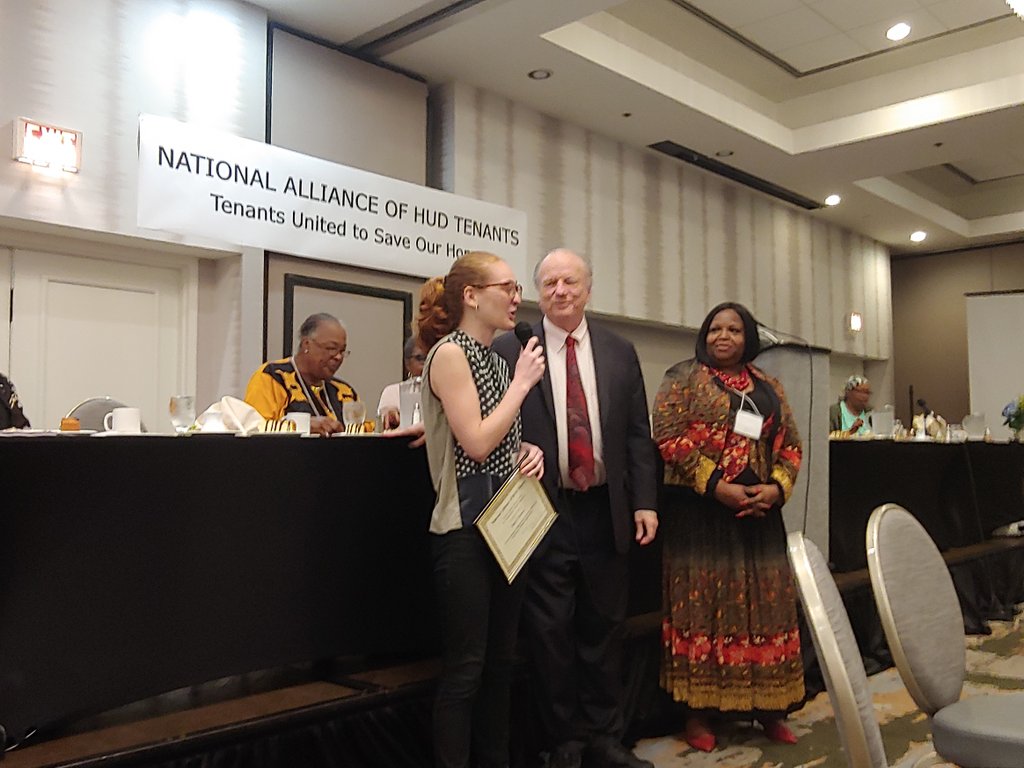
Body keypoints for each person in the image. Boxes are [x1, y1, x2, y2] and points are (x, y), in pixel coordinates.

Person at [493, 248, 658, 768]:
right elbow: (492, 423)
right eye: (549, 283)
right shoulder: (509, 346)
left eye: (570, 281)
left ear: (588, 288)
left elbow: (636, 433)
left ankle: (607, 737)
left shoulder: (618, 350)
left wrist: (645, 502)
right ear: (537, 292)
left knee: (606, 629)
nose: (559, 290)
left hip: (605, 511)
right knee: (549, 634)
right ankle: (564, 742)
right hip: (541, 511)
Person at [651, 301, 804, 752]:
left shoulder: (768, 385)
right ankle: (698, 716)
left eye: (734, 329)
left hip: (759, 518)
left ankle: (770, 708)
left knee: (766, 610)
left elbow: (791, 445)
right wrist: (717, 486)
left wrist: (776, 489)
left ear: (748, 336)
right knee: (703, 611)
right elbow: (668, 436)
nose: (723, 336)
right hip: (701, 518)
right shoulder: (682, 378)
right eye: (715, 328)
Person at [418, 251, 546, 768]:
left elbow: (498, 441)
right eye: (507, 287)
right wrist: (522, 385)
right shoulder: (450, 354)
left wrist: (528, 452)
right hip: (464, 531)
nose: (517, 298)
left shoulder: (497, 359)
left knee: (499, 666)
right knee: (466, 670)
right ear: (471, 295)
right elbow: (472, 442)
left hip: (507, 526)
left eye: (518, 289)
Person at [244, 313, 358, 436]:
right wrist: (301, 426)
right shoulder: (272, 377)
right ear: (306, 345)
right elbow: (254, 429)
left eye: (342, 351)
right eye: (331, 348)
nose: (338, 357)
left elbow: (364, 431)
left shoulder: (345, 391)